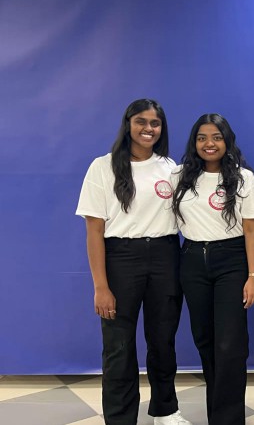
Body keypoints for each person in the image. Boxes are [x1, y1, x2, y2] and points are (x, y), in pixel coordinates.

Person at [76, 99, 191, 425]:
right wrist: (101, 286)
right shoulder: (103, 167)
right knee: (119, 347)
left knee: (163, 341)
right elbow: (94, 231)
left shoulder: (170, 168)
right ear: (128, 124)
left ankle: (166, 411)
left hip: (165, 257)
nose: (148, 128)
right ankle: (120, 418)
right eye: (141, 121)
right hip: (121, 259)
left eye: (155, 123)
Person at [171, 113, 254, 424]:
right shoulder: (180, 176)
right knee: (205, 340)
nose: (209, 144)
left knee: (230, 343)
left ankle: (229, 419)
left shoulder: (243, 178)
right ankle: (217, 414)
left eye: (216, 137)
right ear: (194, 143)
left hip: (232, 261)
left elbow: (252, 229)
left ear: (227, 141)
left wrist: (253, 275)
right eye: (202, 138)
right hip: (192, 260)